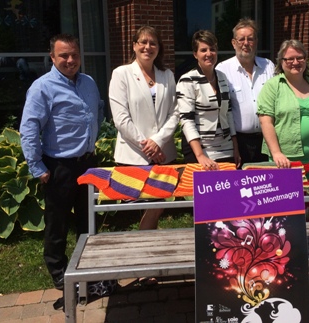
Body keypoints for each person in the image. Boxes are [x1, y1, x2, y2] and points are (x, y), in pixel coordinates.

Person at [20, 34, 104, 291]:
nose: (70, 60)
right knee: (57, 224)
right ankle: (59, 273)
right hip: (59, 167)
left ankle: (88, 267)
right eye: (64, 55)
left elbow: (98, 112)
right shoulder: (42, 87)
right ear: (52, 57)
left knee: (88, 220)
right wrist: (37, 167)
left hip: (87, 163)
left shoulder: (89, 82)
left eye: (74, 55)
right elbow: (29, 128)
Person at [257, 39, 309, 288]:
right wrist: (276, 152)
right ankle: (282, 267)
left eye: (299, 57)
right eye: (289, 58)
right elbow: (266, 120)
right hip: (283, 164)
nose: (295, 62)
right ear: (281, 62)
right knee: (283, 218)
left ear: (306, 59)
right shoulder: (273, 86)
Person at [109, 25, 178, 231]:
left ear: (159, 48)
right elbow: (121, 118)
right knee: (142, 206)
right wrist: (147, 146)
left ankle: (149, 247)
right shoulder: (121, 74)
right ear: (134, 45)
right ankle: (144, 248)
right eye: (143, 42)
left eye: (153, 43)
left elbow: (175, 113)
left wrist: (157, 142)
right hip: (133, 155)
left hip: (163, 153)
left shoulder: (167, 75)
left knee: (157, 206)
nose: (148, 47)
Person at [177, 30, 240, 169]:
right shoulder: (187, 80)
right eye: (203, 50)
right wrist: (200, 155)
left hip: (226, 148)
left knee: (227, 189)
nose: (208, 54)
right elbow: (186, 120)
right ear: (195, 54)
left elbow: (228, 113)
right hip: (199, 149)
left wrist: (235, 147)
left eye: (212, 49)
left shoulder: (222, 77)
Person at [216, 18, 274, 166]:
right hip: (238, 141)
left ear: (256, 41)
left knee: (267, 184)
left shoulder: (269, 67)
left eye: (250, 39)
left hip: (267, 139)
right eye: (241, 39)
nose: (246, 43)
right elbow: (223, 111)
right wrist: (233, 145)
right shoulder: (222, 70)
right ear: (234, 43)